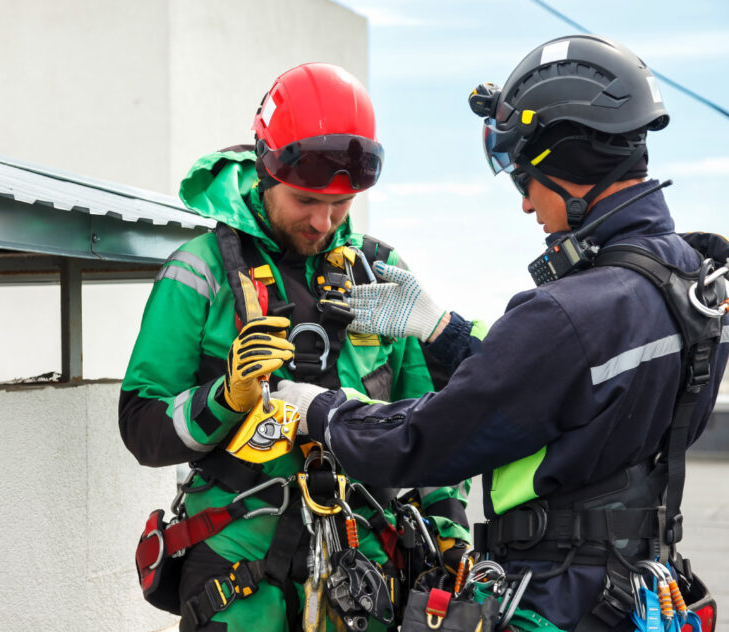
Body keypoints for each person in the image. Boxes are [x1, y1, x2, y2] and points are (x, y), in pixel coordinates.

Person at [274, 36, 729, 631]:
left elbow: (428, 441)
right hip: (640, 588)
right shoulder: (700, 285)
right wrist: (443, 330)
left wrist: (323, 412)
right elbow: (561, 388)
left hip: (558, 597)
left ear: (569, 161)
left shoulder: (568, 313)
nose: (525, 204)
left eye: (525, 178)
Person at [119, 62, 471, 632]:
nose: (323, 221)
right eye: (306, 199)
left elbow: (433, 423)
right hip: (236, 566)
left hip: (363, 567)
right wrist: (226, 396)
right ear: (266, 169)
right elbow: (141, 425)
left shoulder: (382, 276)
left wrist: (450, 535)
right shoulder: (199, 273)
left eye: (342, 203)